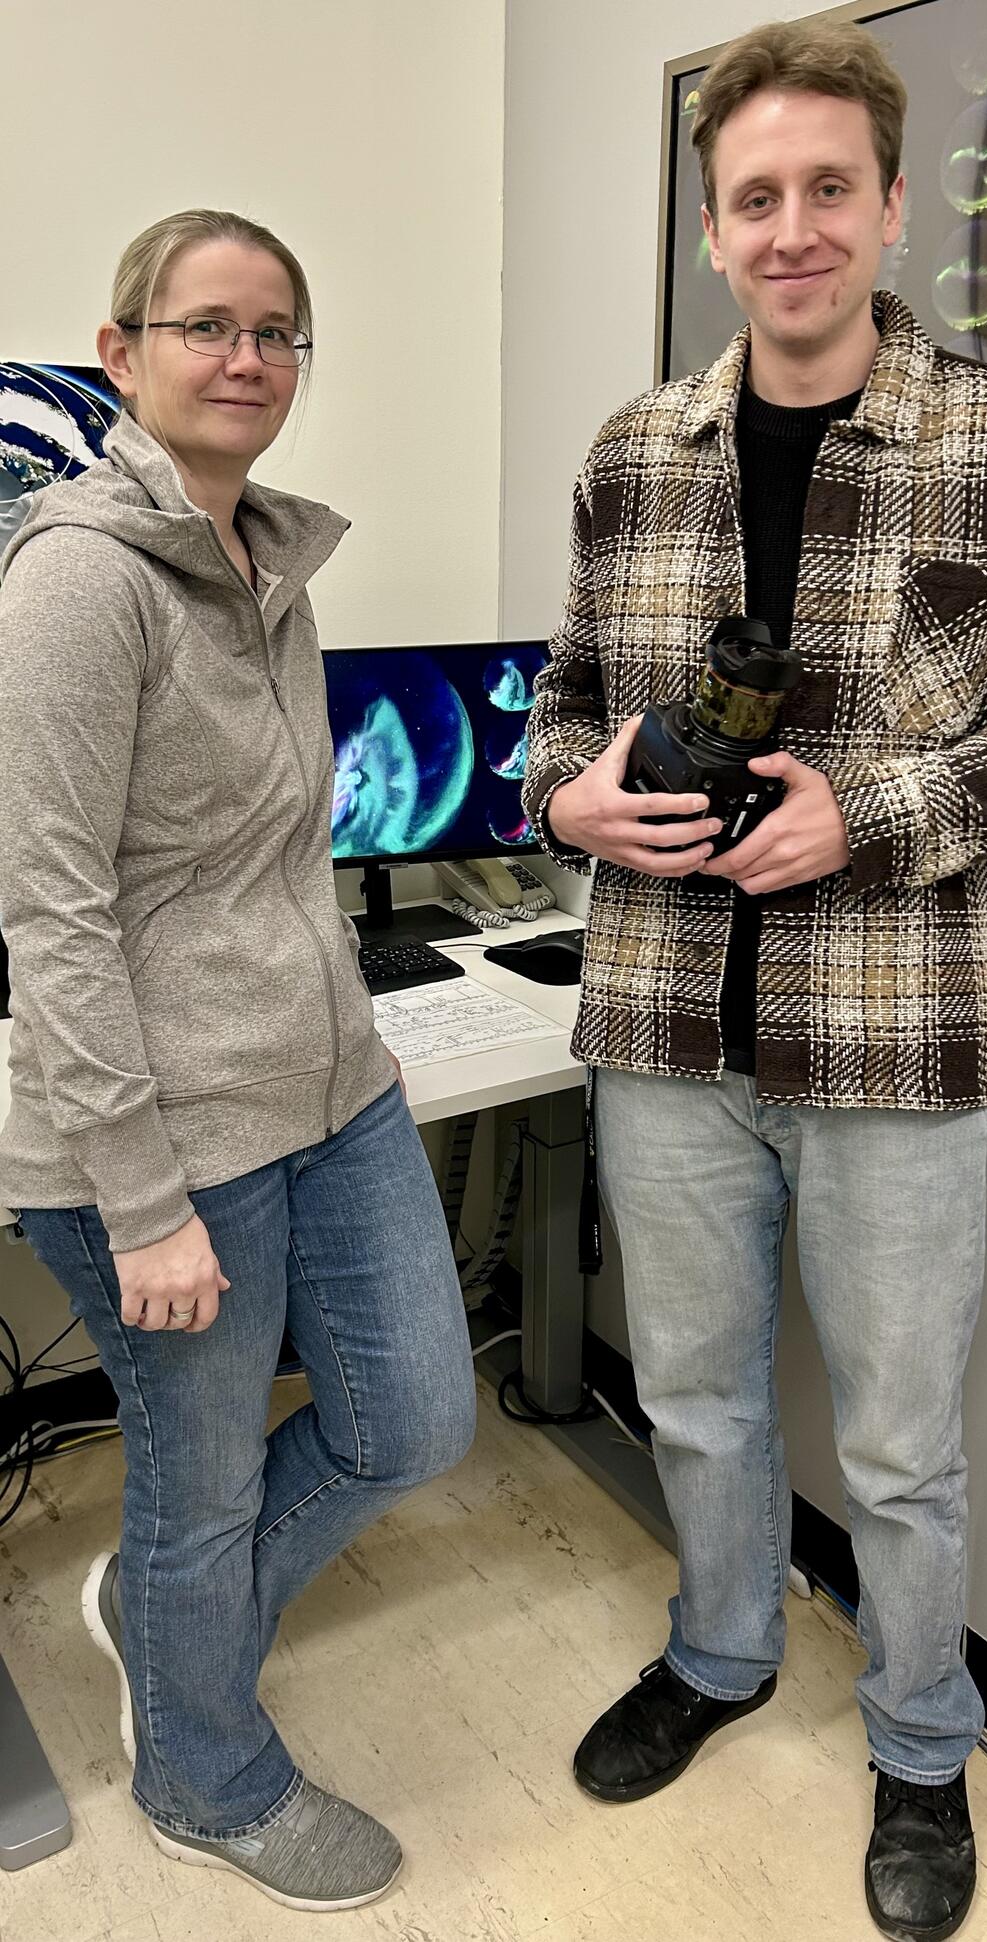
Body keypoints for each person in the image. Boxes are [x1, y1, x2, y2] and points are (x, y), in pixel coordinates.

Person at [522, 21, 987, 1939]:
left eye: (826, 192)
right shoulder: (634, 453)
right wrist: (575, 803)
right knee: (695, 1394)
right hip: (660, 1030)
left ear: (888, 208)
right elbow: (555, 717)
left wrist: (864, 813)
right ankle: (718, 1654)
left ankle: (925, 1742)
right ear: (717, 231)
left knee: (897, 1440)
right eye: (754, 198)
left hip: (897, 1037)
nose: (791, 230)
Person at [0, 208, 476, 1912]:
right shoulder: (74, 581)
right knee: (194, 1486)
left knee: (415, 1418)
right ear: (121, 353)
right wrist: (141, 1204)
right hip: (162, 1136)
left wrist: (360, 1045)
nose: (248, 359)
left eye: (277, 332)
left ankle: (157, 1616)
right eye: (207, 326)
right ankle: (203, 1768)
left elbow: (268, 867)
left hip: (325, 1092)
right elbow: (51, 916)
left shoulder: (268, 559)